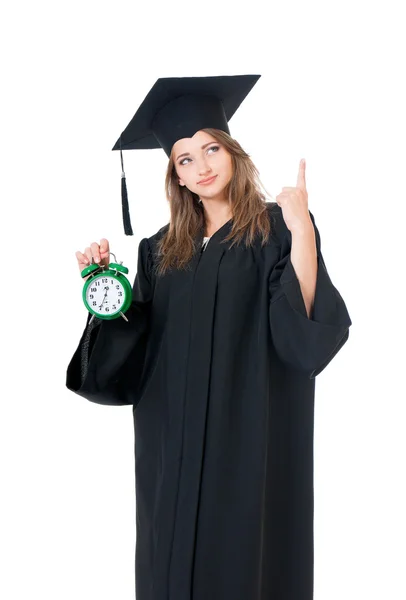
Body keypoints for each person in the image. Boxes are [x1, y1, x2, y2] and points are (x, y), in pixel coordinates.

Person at [66, 75, 352, 600]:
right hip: (169, 444)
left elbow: (304, 332)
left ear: (233, 152)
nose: (202, 166)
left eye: (210, 148)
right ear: (174, 174)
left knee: (247, 560)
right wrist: (106, 288)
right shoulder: (158, 251)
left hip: (248, 438)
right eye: (185, 159)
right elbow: (137, 351)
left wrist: (303, 230)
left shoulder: (273, 229)